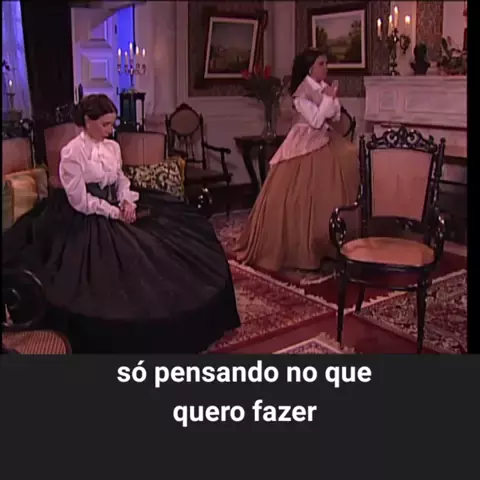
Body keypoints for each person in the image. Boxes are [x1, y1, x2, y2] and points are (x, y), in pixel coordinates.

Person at [2, 94, 241, 353]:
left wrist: (127, 201)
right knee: (115, 264)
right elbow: (80, 200)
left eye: (112, 124)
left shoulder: (113, 147)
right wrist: (113, 212)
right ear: (87, 121)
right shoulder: (72, 153)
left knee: (167, 240)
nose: (110, 129)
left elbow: (120, 179)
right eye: (105, 124)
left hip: (115, 203)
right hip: (84, 215)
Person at [235, 47, 360, 272]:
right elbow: (315, 120)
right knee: (297, 194)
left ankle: (330, 243)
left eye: (326, 63)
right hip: (304, 142)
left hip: (324, 139)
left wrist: (331, 99)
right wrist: (328, 100)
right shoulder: (301, 93)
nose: (326, 68)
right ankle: (300, 248)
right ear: (310, 68)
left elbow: (335, 116)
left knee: (335, 181)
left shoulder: (322, 87)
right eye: (321, 64)